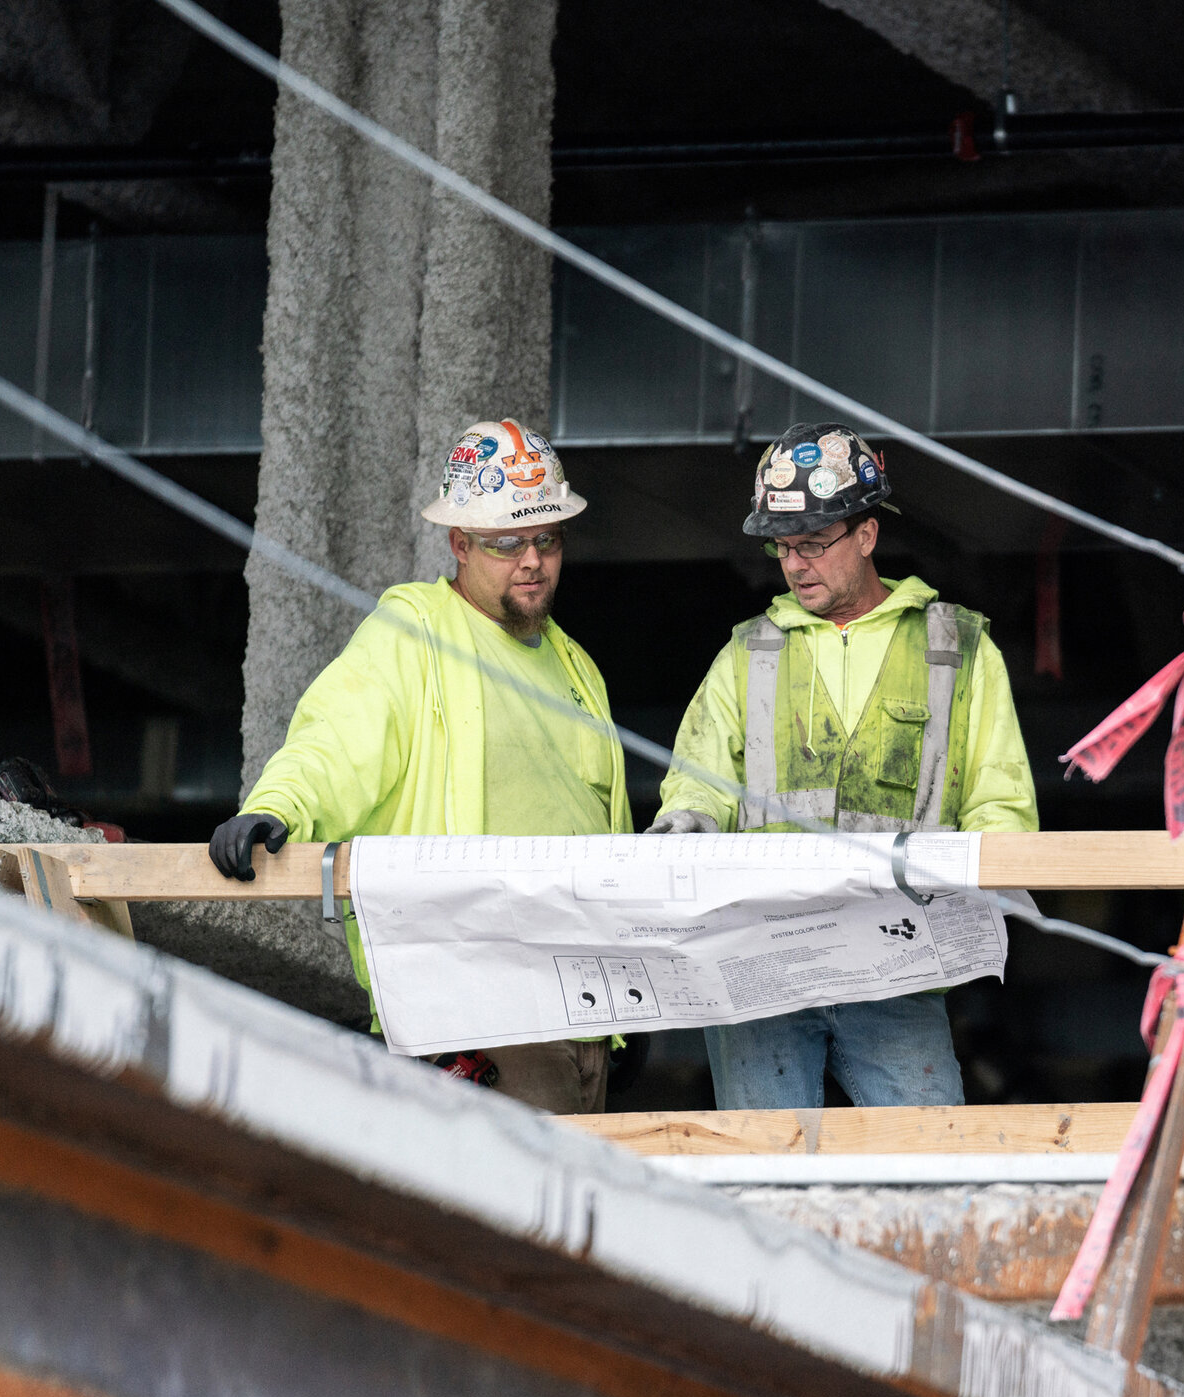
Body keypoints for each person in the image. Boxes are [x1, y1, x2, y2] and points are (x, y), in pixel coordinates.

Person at [208, 419, 629, 1115]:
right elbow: (336, 742)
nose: (531, 560)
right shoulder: (414, 634)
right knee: (507, 1214)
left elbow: (603, 833)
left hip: (583, 1009)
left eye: (546, 538)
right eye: (506, 542)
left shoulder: (576, 665)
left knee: (570, 1221)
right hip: (479, 1005)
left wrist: (624, 998)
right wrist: (276, 805)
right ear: (459, 544)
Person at [648, 421, 1037, 1109]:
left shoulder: (959, 648)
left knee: (928, 1168)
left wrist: (976, 908)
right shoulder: (748, 654)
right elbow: (695, 784)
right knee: (761, 1177)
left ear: (866, 534)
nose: (796, 565)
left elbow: (999, 805)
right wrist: (686, 829)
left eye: (813, 545)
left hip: (897, 965)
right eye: (783, 547)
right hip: (761, 966)